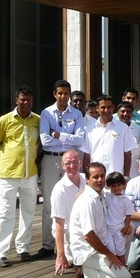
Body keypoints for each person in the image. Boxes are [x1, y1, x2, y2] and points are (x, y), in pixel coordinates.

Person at [0, 85, 40, 267]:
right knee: (6, 213)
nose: (26, 102)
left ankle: (23, 248)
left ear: (32, 101)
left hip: (30, 174)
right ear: (16, 100)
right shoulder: (5, 120)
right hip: (8, 174)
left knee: (28, 212)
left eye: (29, 99)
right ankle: (1, 253)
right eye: (22, 99)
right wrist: (7, 159)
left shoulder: (37, 120)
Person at [37, 79, 85, 260]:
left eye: (67, 93)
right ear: (55, 94)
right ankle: (49, 245)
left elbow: (79, 140)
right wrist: (68, 138)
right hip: (50, 159)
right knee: (49, 204)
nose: (64, 97)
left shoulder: (77, 114)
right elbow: (45, 141)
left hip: (71, 161)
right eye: (60, 93)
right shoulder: (46, 113)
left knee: (73, 202)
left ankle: (69, 246)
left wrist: (58, 134)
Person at [69, 162, 132, 278]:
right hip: (88, 252)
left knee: (130, 228)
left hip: (103, 244)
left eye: (102, 176)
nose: (100, 180)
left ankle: (116, 265)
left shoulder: (102, 194)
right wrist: (109, 254)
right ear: (87, 179)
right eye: (95, 177)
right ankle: (84, 272)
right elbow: (89, 236)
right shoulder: (87, 202)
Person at [80, 95, 136, 176]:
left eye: (109, 107)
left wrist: (126, 176)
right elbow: (87, 155)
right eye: (103, 107)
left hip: (116, 177)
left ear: (113, 107)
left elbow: (127, 154)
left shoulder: (123, 128)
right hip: (95, 177)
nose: (106, 110)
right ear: (97, 108)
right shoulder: (90, 129)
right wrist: (86, 177)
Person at [51, 150, 86, 275]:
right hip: (70, 233)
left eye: (75, 162)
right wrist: (60, 255)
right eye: (68, 163)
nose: (72, 166)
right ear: (62, 165)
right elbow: (58, 223)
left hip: (87, 229)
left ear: (80, 163)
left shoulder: (87, 180)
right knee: (75, 261)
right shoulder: (59, 190)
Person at [104, 172, 134, 265]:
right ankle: (115, 271)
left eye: (119, 185)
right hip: (108, 229)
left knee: (120, 250)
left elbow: (128, 215)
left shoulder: (126, 200)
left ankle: (124, 269)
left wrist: (126, 226)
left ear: (123, 185)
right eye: (113, 185)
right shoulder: (107, 195)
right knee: (111, 250)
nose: (116, 188)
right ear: (109, 186)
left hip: (120, 229)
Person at [116, 102, 140, 179]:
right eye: (123, 111)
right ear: (117, 113)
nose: (125, 114)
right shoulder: (113, 129)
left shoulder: (139, 129)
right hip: (118, 167)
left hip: (135, 170)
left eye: (128, 111)